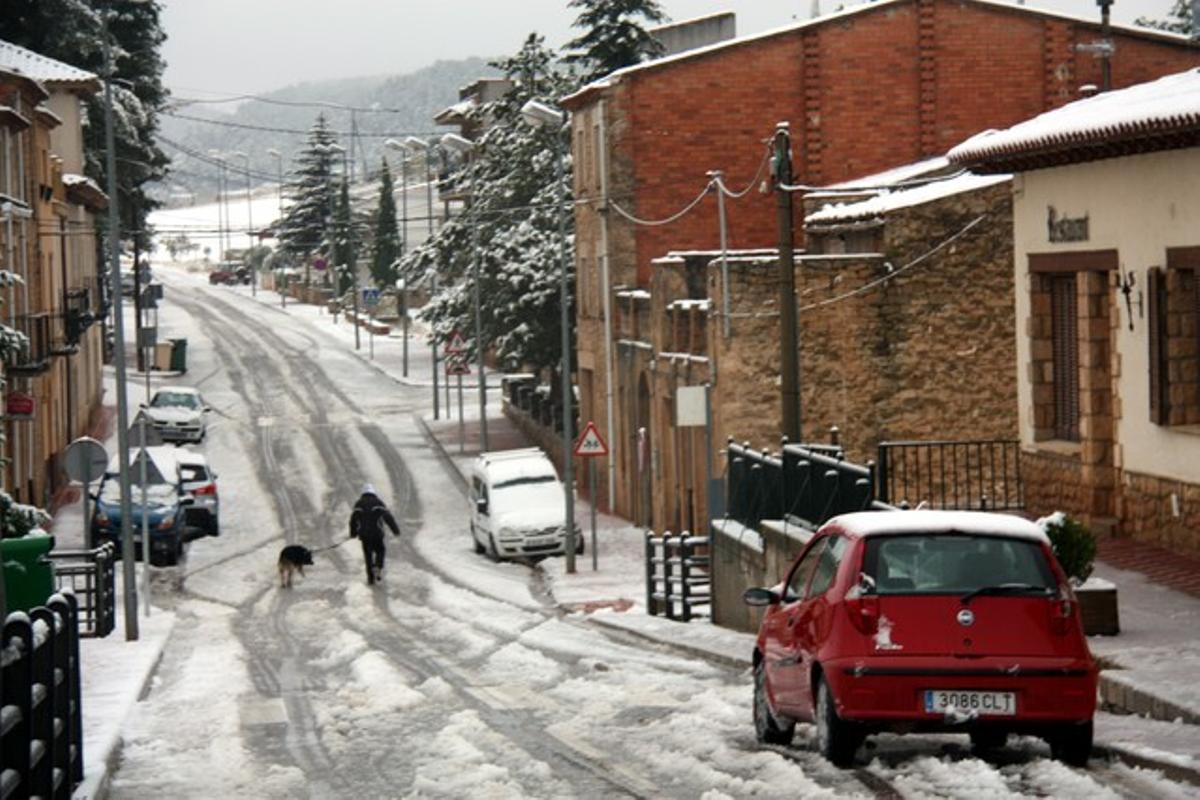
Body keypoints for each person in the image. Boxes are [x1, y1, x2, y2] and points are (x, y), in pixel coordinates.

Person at [349, 484, 400, 585]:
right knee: (380, 550)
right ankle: (378, 565)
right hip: (377, 533)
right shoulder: (378, 502)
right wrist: (395, 530)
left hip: (364, 535)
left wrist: (353, 533)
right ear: (373, 492)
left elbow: (353, 520)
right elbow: (388, 517)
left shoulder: (358, 504)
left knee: (368, 555)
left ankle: (370, 579)